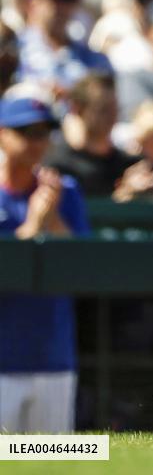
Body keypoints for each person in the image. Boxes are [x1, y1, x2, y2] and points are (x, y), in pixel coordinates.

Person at [0, 95, 89, 433]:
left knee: (55, 460)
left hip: (54, 355)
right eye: (26, 131)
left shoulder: (64, 191)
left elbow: (83, 264)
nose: (37, 142)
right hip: (4, 359)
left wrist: (52, 220)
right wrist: (33, 226)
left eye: (44, 132)